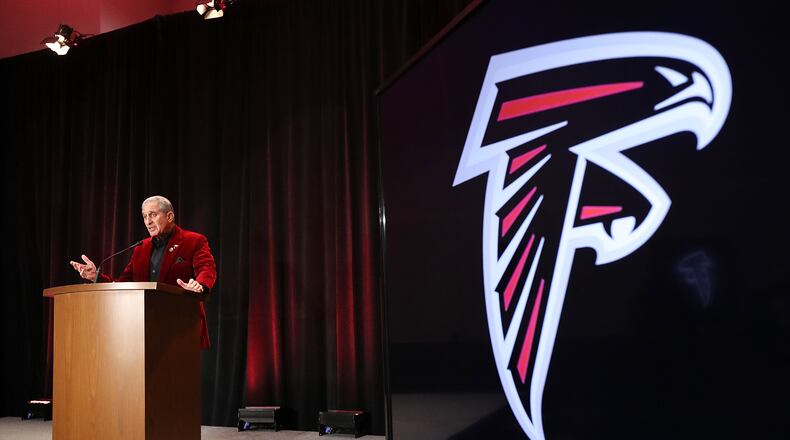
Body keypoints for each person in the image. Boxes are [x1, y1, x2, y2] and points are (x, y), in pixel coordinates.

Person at [69, 195, 217, 349]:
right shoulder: (141, 248)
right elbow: (123, 285)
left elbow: (206, 268)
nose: (148, 222)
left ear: (170, 216)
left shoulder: (194, 241)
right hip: (143, 329)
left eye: (153, 215)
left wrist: (199, 285)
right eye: (145, 216)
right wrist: (96, 277)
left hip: (181, 327)